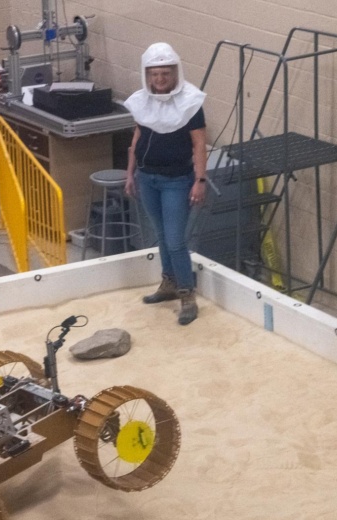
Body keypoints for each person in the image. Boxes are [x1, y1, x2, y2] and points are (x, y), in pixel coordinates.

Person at [124, 42, 208, 325]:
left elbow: (199, 145)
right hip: (147, 179)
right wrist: (130, 173)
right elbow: (137, 140)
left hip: (176, 181)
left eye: (165, 74)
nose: (159, 80)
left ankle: (187, 294)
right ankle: (168, 284)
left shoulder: (191, 103)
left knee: (175, 241)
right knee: (161, 237)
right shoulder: (142, 101)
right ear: (147, 75)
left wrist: (200, 180)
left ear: (175, 74)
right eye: (154, 74)